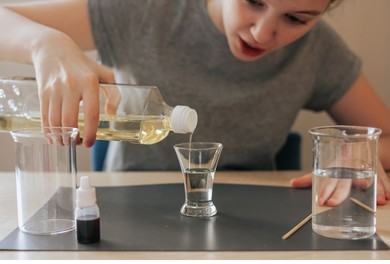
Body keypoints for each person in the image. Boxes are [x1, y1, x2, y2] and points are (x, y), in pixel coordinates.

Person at [0, 0, 389, 205]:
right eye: (253, 0)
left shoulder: (318, 51)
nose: (263, 31)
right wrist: (45, 42)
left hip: (255, 219)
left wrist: (358, 155)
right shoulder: (142, 12)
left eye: (296, 19)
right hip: (127, 211)